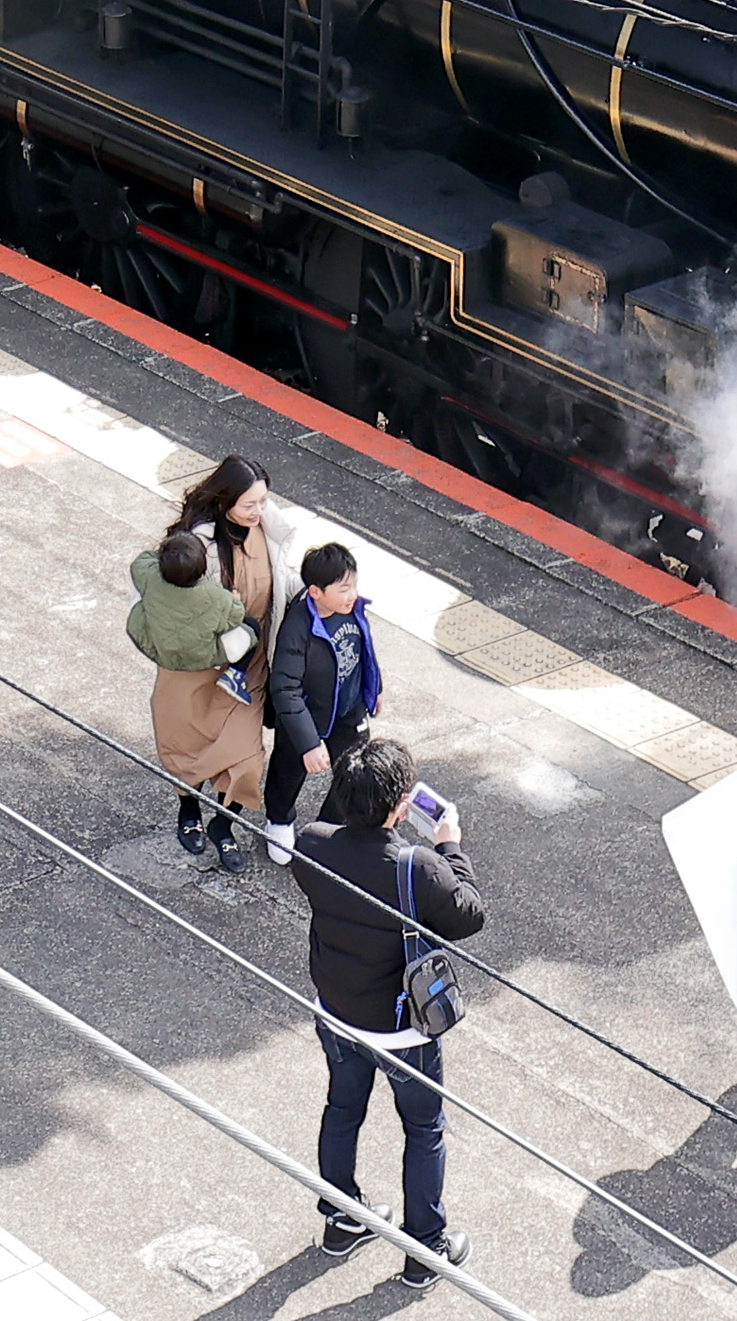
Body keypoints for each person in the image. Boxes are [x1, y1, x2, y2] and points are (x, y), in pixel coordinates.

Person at [293, 733, 483, 1291]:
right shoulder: (415, 867)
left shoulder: (311, 843)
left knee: (343, 1107)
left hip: (336, 1012)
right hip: (403, 1030)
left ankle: (341, 1218)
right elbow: (469, 915)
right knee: (423, 1128)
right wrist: (450, 846)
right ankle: (426, 1249)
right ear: (400, 806)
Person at [149, 453, 278, 869]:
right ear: (224, 504)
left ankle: (223, 824)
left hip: (248, 668)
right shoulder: (193, 545)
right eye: (249, 505)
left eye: (263, 502)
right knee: (183, 744)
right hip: (194, 668)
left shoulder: (272, 533)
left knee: (247, 758)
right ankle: (188, 809)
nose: (259, 512)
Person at [129, 525, 258, 864]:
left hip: (166, 655)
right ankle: (237, 673)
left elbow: (138, 564)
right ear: (204, 569)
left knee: (230, 753)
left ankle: (209, 821)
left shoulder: (151, 580)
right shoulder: (214, 597)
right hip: (209, 663)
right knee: (251, 632)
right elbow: (237, 615)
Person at [264, 539, 382, 864]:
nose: (352, 594)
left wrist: (374, 690)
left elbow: (364, 653)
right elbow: (285, 689)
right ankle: (279, 822)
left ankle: (328, 832)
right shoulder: (297, 627)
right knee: (287, 770)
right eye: (343, 589)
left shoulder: (353, 610)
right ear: (316, 591)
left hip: (348, 712)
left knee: (352, 774)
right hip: (306, 715)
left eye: (353, 585)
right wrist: (308, 743)